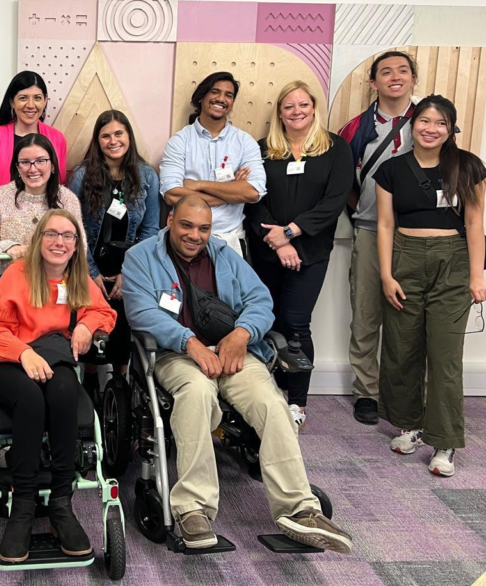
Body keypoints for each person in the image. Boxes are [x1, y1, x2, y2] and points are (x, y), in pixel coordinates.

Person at [121, 196, 353, 553]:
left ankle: (299, 509)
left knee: (271, 403)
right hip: (175, 355)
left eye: (203, 228)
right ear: (171, 220)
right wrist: (189, 342)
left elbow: (260, 301)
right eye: (186, 225)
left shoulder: (224, 254)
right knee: (197, 394)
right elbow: (141, 313)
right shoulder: (141, 256)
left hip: (231, 353)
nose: (194, 235)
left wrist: (241, 334)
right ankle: (193, 507)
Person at [0, 209, 117, 562]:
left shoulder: (77, 277)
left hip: (51, 359)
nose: (59, 242)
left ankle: (60, 503)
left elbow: (104, 312)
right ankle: (22, 507)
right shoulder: (17, 275)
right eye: (52, 234)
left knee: (66, 389)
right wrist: (24, 354)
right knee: (30, 400)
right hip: (4, 360)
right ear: (39, 240)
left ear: (76, 245)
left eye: (67, 236)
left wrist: (85, 326)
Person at [375, 95, 486, 477]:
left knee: (444, 356)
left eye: (440, 123)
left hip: (452, 261)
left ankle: (445, 441)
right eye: (424, 120)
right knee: (401, 348)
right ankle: (410, 425)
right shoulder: (391, 170)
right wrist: (387, 274)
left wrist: (477, 275)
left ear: (450, 128)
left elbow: (474, 224)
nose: (430, 129)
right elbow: (385, 225)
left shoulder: (467, 167)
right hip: (404, 258)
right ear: (413, 124)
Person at [245, 81, 353, 430]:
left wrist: (291, 233)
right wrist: (278, 240)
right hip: (266, 249)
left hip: (311, 251)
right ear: (279, 112)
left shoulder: (336, 149)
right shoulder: (263, 150)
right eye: (289, 106)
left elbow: (334, 202)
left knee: (295, 323)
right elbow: (253, 200)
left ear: (314, 108)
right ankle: (268, 395)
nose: (296, 111)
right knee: (265, 321)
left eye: (303, 105)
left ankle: (296, 401)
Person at [338, 51, 418, 425]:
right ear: (374, 83)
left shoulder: (429, 121)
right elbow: (342, 183)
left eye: (403, 70)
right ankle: (367, 392)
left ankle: (402, 392)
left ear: (413, 79)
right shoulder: (356, 129)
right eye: (386, 72)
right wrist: (361, 212)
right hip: (370, 230)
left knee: (410, 316)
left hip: (417, 235)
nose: (395, 77)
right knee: (366, 314)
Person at [67, 110, 159, 395]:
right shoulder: (82, 176)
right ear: (97, 140)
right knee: (92, 326)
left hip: (130, 268)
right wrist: (90, 272)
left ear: (128, 136)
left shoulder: (146, 176)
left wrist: (128, 274)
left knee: (123, 330)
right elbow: (75, 229)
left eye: (119, 134)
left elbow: (151, 230)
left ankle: (120, 384)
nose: (113, 140)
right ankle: (92, 382)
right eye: (105, 135)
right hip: (89, 265)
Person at [160, 71, 266, 258]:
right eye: (215, 92)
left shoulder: (245, 142)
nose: (221, 98)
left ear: (232, 103)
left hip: (230, 242)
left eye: (229, 95)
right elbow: (172, 194)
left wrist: (198, 184)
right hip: (185, 241)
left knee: (230, 288)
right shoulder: (179, 141)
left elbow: (252, 192)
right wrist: (231, 192)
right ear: (202, 97)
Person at [0, 133, 83, 275]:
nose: (33, 169)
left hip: (54, 287)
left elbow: (80, 248)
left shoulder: (68, 200)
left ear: (52, 165)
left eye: (41, 161)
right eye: (25, 162)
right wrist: (7, 248)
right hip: (6, 288)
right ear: (17, 167)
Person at [0, 71, 68, 209]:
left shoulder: (57, 139)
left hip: (44, 223)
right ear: (12, 101)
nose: (30, 105)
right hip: (0, 223)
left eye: (37, 98)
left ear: (45, 101)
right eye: (23, 98)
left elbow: (59, 189)